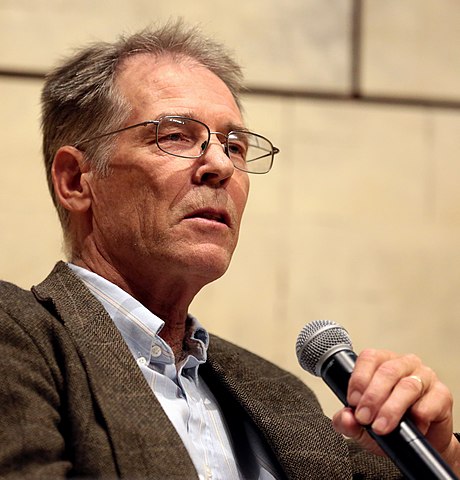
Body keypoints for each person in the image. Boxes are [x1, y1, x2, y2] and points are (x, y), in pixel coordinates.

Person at [0, 20, 458, 480]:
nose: (220, 165)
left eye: (234, 146)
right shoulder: (22, 339)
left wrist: (442, 456)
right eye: (175, 135)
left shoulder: (279, 394)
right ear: (76, 181)